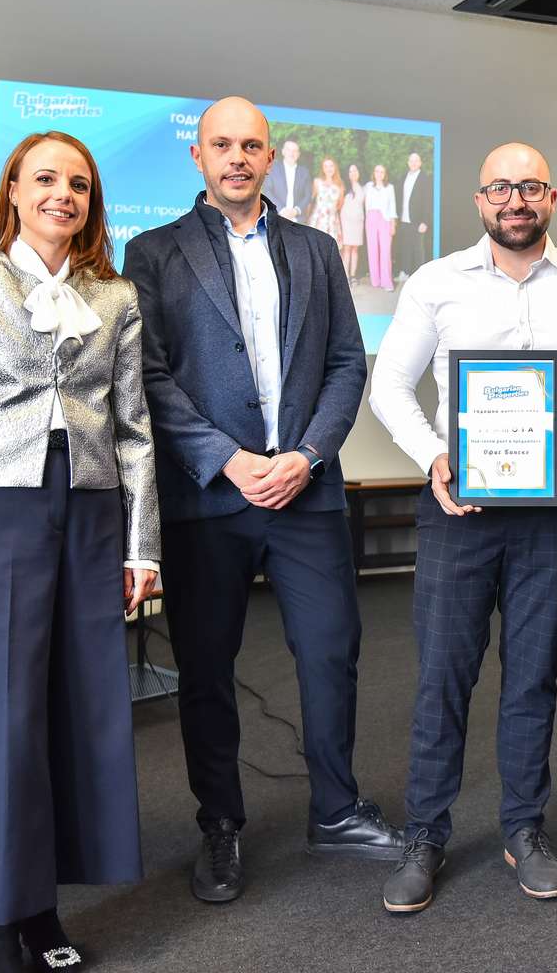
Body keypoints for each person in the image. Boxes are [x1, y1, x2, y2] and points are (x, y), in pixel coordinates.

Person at [369, 142, 557, 913]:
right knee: (442, 677)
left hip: (554, 509)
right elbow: (389, 384)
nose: (515, 200)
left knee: (532, 676)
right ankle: (425, 835)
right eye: (500, 188)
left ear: (551, 198)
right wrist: (434, 456)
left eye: (530, 186)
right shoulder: (436, 282)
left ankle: (523, 827)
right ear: (480, 201)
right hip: (459, 508)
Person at [124, 96, 400, 906]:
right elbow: (149, 376)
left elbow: (347, 363)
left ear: (270, 157)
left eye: (251, 145)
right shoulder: (153, 252)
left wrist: (307, 456)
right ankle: (220, 825)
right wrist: (228, 459)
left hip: (305, 494)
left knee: (331, 652)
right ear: (199, 157)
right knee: (207, 668)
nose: (237, 157)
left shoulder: (316, 249)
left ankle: (337, 810)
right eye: (222, 145)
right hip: (209, 498)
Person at [0, 130, 159, 972]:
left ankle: (43, 908)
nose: (62, 195)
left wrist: (142, 549)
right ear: (12, 189)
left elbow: (134, 429)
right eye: (45, 178)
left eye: (78, 184)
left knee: (76, 714)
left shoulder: (115, 297)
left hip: (87, 513)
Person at [394, 150, 431, 279]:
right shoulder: (404, 176)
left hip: (418, 220)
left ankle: (420, 276)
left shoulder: (425, 179)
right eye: (411, 161)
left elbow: (428, 201)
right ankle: (405, 272)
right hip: (404, 219)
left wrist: (425, 221)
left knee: (418, 249)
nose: (413, 163)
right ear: (408, 163)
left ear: (420, 163)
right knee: (405, 247)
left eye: (416, 161)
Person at [363, 164, 397, 291]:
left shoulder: (389, 188)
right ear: (373, 173)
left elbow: (392, 206)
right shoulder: (368, 186)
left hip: (385, 219)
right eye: (377, 171)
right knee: (372, 250)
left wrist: (393, 224)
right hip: (371, 218)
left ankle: (387, 282)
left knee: (385, 251)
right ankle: (375, 280)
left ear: (385, 174)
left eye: (382, 172)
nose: (379, 174)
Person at [263, 137, 311, 222]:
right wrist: (281, 210)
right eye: (288, 150)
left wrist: (296, 210)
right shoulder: (272, 169)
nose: (291, 153)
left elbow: (307, 195)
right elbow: (267, 191)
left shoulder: (305, 172)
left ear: (298, 154)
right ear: (283, 151)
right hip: (276, 216)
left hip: (297, 219)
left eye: (295, 151)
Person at [308, 157, 344, 247]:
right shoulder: (317, 182)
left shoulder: (340, 185)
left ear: (335, 168)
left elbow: (340, 205)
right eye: (326, 166)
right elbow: (310, 201)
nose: (329, 169)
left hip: (332, 221)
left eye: (331, 166)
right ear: (323, 169)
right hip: (318, 220)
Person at [339, 163, 366, 283]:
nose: (353, 173)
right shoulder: (343, 186)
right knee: (346, 249)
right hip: (346, 222)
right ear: (347, 173)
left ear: (359, 173)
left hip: (358, 222)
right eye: (350, 171)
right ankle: (345, 275)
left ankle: (353, 275)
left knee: (355, 249)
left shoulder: (363, 187)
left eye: (355, 171)